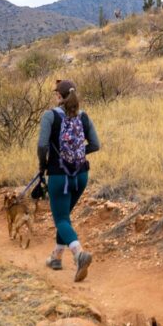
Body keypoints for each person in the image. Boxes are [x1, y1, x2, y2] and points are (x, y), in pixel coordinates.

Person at [37, 79, 100, 281]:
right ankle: (56, 257)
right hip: (81, 175)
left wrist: (43, 165)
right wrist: (79, 153)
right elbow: (96, 145)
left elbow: (42, 146)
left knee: (61, 219)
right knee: (64, 216)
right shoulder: (83, 117)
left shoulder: (50, 116)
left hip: (59, 175)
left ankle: (79, 254)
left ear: (59, 96)